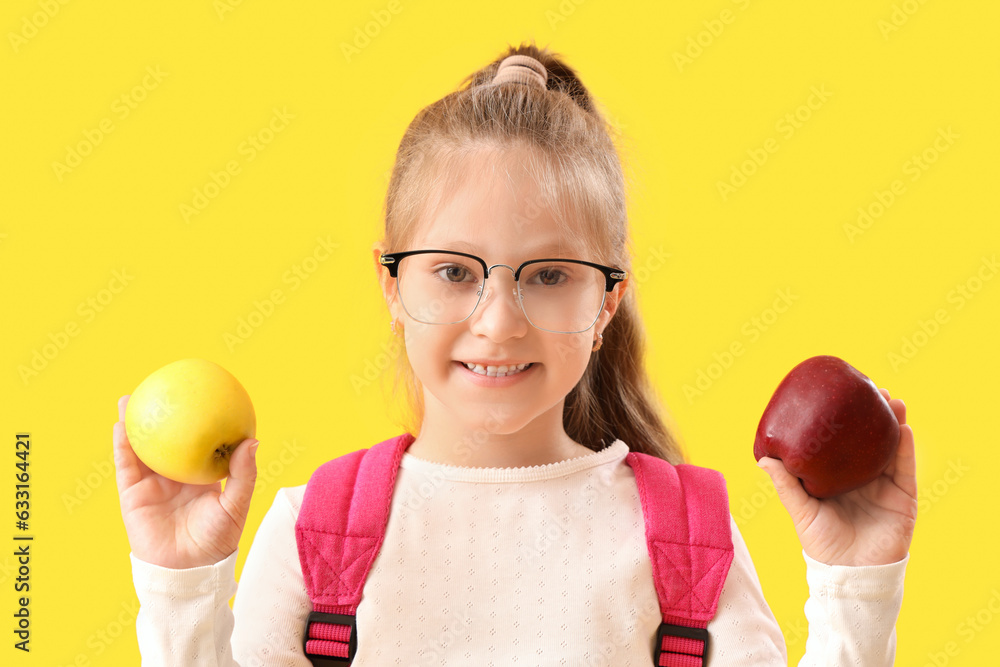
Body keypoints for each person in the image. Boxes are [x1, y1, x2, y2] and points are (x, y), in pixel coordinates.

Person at [113, 41, 918, 666]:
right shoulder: (311, 532)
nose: (498, 321)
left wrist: (857, 587)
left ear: (607, 300)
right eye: (456, 271)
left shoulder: (687, 537)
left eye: (551, 275)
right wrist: (183, 585)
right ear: (392, 284)